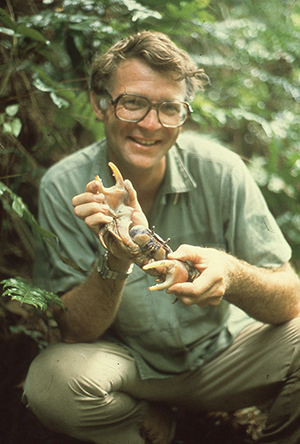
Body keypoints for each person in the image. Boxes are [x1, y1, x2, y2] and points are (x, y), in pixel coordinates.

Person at [22, 31, 300, 444]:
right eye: (133, 102)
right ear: (100, 103)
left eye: (169, 108)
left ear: (183, 114)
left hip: (226, 353)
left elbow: (290, 296)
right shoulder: (64, 186)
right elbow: (74, 330)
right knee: (50, 384)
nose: (151, 125)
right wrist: (114, 257)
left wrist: (230, 274)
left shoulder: (221, 170)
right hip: (132, 368)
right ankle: (161, 428)